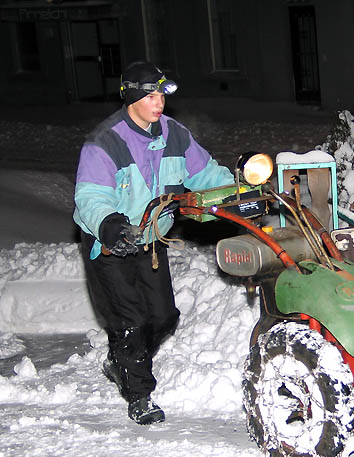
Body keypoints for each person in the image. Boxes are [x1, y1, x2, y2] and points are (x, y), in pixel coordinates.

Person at [73, 61, 236, 425]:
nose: (158, 101)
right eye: (150, 95)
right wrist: (111, 225)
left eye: (161, 94)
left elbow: (206, 173)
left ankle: (122, 361)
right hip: (112, 244)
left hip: (150, 240)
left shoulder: (174, 135)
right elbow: (91, 196)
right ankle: (139, 394)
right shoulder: (106, 141)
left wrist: (238, 191)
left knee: (163, 317)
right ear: (132, 97)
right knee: (131, 320)